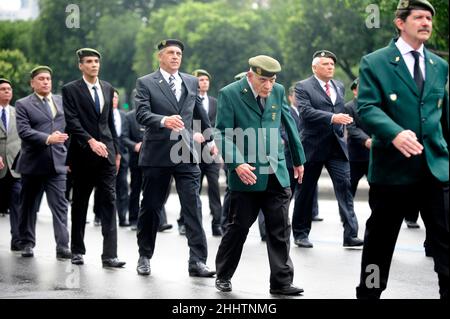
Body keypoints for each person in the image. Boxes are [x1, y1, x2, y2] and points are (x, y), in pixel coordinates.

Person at [356, 0, 448, 299]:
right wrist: (394, 133)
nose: (426, 23)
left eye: (429, 18)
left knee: (446, 241)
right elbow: (367, 107)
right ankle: (369, 295)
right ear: (400, 22)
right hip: (392, 171)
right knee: (379, 244)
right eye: (419, 17)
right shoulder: (376, 62)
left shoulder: (439, 66)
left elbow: (442, 116)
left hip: (435, 168)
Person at [214, 55, 306, 295]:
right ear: (250, 75)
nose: (268, 86)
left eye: (272, 79)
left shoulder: (277, 91)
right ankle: (223, 275)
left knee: (279, 229)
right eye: (263, 80)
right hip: (247, 175)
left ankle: (281, 282)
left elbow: (289, 123)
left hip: (276, 172)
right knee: (239, 228)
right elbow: (221, 133)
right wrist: (238, 163)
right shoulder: (230, 93)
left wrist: (298, 160)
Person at [134, 39, 216, 277]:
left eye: (178, 53)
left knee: (193, 206)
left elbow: (200, 113)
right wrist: (163, 120)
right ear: (160, 56)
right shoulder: (146, 82)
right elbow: (141, 113)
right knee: (151, 207)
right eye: (170, 53)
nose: (175, 56)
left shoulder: (191, 81)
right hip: (157, 154)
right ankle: (144, 256)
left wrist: (211, 142)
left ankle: (197, 261)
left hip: (187, 152)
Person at [292, 50, 363, 248]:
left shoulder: (339, 85)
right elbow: (305, 113)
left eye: (332, 64)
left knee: (345, 188)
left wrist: (339, 124)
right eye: (325, 64)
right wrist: (332, 118)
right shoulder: (303, 87)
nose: (330, 67)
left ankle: (351, 233)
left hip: (336, 147)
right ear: (315, 67)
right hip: (312, 147)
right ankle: (300, 233)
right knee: (305, 191)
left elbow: (338, 111)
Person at [62, 48, 125, 268]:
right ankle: (77, 250)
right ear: (80, 65)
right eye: (88, 61)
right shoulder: (70, 90)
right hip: (82, 156)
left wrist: (116, 152)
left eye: (96, 61)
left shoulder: (108, 88)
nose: (93, 65)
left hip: (106, 155)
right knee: (80, 203)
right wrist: (90, 141)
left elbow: (108, 123)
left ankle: (110, 255)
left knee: (109, 201)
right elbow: (72, 122)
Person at [14, 66, 71, 259]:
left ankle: (63, 246)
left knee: (60, 206)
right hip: (33, 164)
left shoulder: (61, 101)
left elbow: (69, 130)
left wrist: (69, 157)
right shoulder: (23, 104)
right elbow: (24, 131)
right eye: (41, 79)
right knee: (29, 205)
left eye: (48, 79)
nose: (45, 82)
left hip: (58, 163)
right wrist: (48, 138)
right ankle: (27, 243)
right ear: (32, 83)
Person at [178, 69, 223, 236]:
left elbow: (219, 125)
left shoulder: (215, 102)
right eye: (200, 79)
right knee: (191, 189)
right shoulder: (187, 101)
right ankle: (183, 221)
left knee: (214, 189)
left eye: (206, 80)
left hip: (211, 152)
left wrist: (216, 144)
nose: (203, 82)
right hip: (192, 149)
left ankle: (216, 223)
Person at [121, 108, 172, 231]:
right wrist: (134, 146)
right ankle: (133, 219)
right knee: (135, 189)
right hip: (136, 160)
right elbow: (124, 137)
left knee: (156, 189)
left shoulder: (156, 115)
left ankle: (160, 221)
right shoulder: (129, 117)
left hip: (154, 158)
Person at [285, 86, 321, 221]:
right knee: (288, 193)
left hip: (308, 157)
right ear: (290, 97)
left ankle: (308, 215)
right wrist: (297, 143)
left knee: (306, 192)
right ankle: (282, 217)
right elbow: (283, 132)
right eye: (296, 96)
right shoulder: (286, 111)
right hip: (291, 158)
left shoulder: (307, 112)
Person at [0, 78, 22, 251]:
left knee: (17, 204)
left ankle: (17, 240)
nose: (7, 91)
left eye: (9, 89)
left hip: (15, 167)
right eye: (3, 89)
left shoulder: (18, 113)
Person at [344, 78, 371, 198]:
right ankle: (346, 216)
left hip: (372, 155)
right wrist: (366, 140)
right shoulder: (348, 107)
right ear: (355, 91)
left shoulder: (373, 106)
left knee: (377, 188)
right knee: (350, 187)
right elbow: (351, 128)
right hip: (355, 156)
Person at [112, 88, 131, 227]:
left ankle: (123, 216)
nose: (114, 100)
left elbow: (125, 136)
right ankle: (99, 215)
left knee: (123, 186)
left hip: (123, 155)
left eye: (116, 97)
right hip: (107, 154)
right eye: (111, 97)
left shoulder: (123, 116)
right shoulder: (103, 115)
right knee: (105, 187)